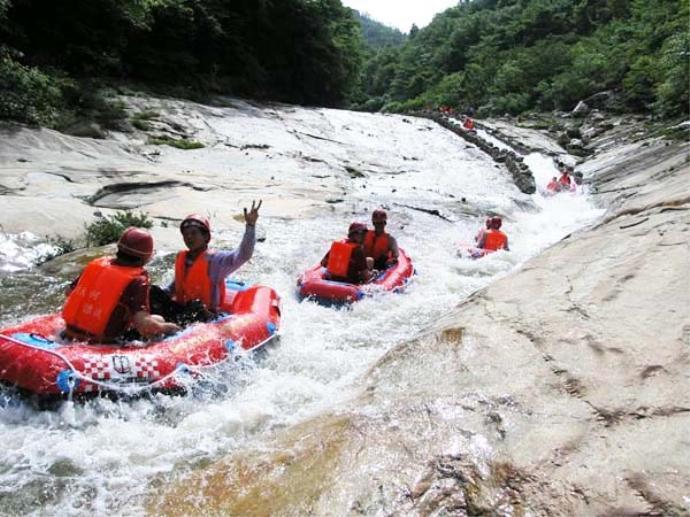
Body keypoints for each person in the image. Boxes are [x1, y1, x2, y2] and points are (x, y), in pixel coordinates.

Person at [150, 200, 261, 325]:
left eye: (194, 233)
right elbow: (173, 289)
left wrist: (250, 226)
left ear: (206, 238)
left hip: (207, 316)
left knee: (195, 306)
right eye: (186, 234)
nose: (189, 237)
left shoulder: (216, 260)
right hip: (182, 311)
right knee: (152, 291)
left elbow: (242, 255)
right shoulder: (183, 258)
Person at [62, 227, 180, 344]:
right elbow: (143, 325)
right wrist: (167, 328)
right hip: (101, 342)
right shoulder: (137, 281)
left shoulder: (98, 265)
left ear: (119, 248)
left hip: (69, 334)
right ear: (146, 257)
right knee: (159, 320)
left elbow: (69, 292)